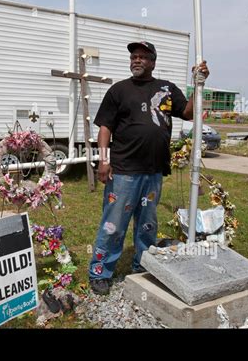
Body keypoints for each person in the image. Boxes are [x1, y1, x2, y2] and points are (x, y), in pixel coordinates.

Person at [88, 41, 210, 295]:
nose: (137, 60)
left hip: (153, 172)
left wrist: (199, 84)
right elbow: (104, 128)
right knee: (113, 226)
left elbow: (188, 113)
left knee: (147, 226)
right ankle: (100, 272)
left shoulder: (166, 89)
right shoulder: (119, 90)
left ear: (153, 62)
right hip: (123, 172)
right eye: (134, 56)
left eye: (143, 57)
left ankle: (142, 266)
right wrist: (103, 159)